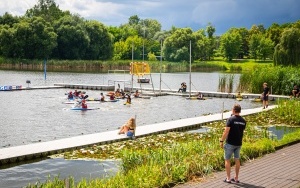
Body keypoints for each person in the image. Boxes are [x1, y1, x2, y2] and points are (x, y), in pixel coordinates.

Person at [220, 104, 246, 184]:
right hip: (239, 143)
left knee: (227, 160)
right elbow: (241, 130)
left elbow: (226, 131)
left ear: (234, 110)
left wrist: (221, 141)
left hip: (230, 143)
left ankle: (228, 178)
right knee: (237, 159)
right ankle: (236, 178)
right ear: (240, 111)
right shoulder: (243, 121)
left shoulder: (230, 119)